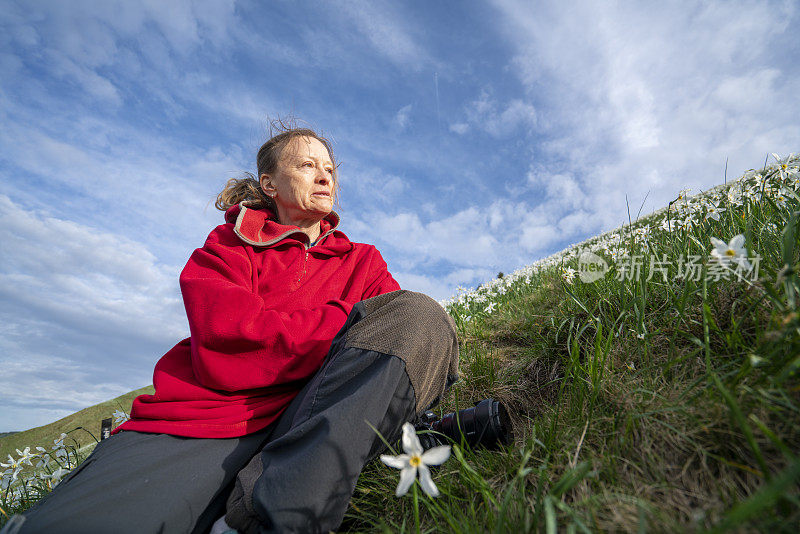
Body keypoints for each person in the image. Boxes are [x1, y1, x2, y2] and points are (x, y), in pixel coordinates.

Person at [3, 124, 459, 534]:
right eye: (306, 165)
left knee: (419, 317)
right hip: (209, 419)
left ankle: (259, 522)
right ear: (270, 184)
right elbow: (233, 343)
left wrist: (340, 340)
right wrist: (343, 321)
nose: (325, 178)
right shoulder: (224, 250)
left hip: (317, 414)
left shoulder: (364, 260)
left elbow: (392, 340)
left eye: (330, 169)